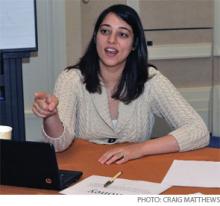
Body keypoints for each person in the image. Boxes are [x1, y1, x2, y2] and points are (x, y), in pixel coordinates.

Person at [32, 4, 209, 165]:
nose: (111, 40)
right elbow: (58, 145)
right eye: (105, 31)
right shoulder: (71, 79)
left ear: (134, 44)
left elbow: (198, 131)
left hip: (135, 170)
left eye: (122, 34)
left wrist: (139, 149)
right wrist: (51, 116)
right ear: (95, 38)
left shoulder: (151, 80)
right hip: (86, 168)